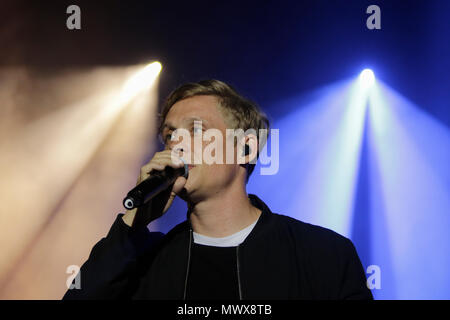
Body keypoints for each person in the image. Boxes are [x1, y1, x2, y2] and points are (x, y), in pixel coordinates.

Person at [63, 79, 373, 300]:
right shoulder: (146, 263)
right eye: (169, 135)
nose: (176, 143)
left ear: (246, 148)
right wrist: (133, 225)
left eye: (196, 130)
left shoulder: (322, 254)